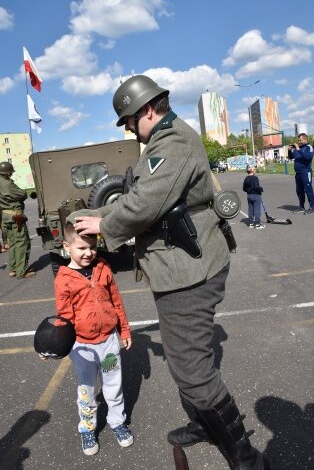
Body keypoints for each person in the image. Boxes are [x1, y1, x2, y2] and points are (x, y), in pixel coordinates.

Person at [70, 75, 269, 470]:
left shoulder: (173, 141)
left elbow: (145, 205)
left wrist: (102, 225)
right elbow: (137, 198)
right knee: (187, 361)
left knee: (192, 370)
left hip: (189, 270)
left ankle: (246, 458)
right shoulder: (161, 143)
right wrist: (96, 215)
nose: (128, 127)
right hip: (179, 266)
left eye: (129, 119)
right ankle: (205, 424)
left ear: (147, 109)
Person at [40, 222, 133, 456]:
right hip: (81, 346)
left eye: (92, 247)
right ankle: (87, 427)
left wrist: (124, 330)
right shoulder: (63, 279)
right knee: (87, 390)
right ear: (66, 247)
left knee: (113, 386)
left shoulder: (103, 268)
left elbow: (116, 302)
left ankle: (117, 422)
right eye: (81, 248)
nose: (88, 253)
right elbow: (64, 318)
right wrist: (51, 347)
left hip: (109, 342)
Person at [0, 161, 36, 278]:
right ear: (7, 173)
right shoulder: (7, 184)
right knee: (22, 243)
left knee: (14, 244)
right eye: (10, 173)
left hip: (5, 217)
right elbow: (22, 194)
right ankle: (22, 271)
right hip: (15, 217)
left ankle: (14, 269)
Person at [288, 133, 314, 214]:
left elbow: (308, 157)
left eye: (300, 140)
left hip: (306, 172)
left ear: (305, 139)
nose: (299, 141)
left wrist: (298, 149)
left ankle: (311, 207)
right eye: (298, 140)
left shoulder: (309, 147)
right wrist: (289, 150)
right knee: (299, 190)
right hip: (298, 173)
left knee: (308, 190)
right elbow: (291, 157)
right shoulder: (298, 148)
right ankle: (301, 207)